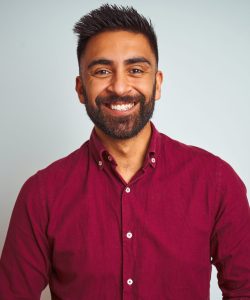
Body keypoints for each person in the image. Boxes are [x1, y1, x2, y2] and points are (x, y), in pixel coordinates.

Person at [0, 4, 249, 300]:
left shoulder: (216, 181)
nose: (119, 86)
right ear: (81, 89)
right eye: (102, 71)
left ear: (156, 84)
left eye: (135, 70)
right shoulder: (41, 194)